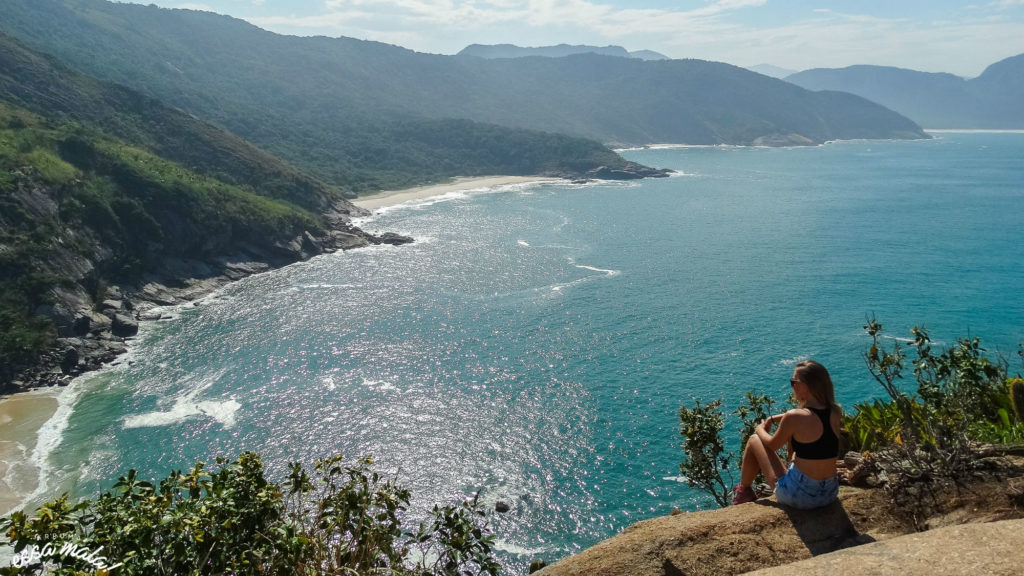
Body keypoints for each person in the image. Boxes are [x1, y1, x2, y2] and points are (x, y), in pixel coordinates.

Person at [732, 360, 841, 509]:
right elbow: (812, 416)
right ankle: (744, 491)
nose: (793, 386)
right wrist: (774, 418)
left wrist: (760, 428)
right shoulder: (835, 411)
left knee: (754, 439)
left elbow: (772, 444)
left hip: (801, 497)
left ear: (804, 385)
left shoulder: (794, 417)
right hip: (829, 493)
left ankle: (743, 492)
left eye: (793, 381)